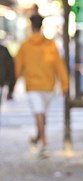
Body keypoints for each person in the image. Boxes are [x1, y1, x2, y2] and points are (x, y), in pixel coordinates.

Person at [14, 14, 68, 157]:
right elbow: (59, 66)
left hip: (33, 86)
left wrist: (11, 84)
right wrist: (64, 84)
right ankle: (44, 144)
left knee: (41, 116)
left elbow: (17, 68)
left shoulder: (25, 45)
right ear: (42, 26)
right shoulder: (50, 44)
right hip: (48, 86)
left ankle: (37, 138)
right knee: (40, 115)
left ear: (31, 26)